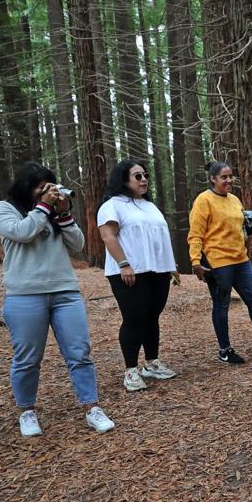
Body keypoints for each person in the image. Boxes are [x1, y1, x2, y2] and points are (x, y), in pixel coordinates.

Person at [0, 163, 115, 436]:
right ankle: (27, 411)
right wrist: (44, 207)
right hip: (24, 294)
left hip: (65, 292)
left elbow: (78, 244)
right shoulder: (2, 208)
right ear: (25, 187)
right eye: (40, 186)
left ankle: (92, 407)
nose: (46, 191)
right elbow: (22, 233)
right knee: (27, 358)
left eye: (50, 185)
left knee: (79, 353)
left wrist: (63, 214)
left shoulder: (52, 213)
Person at [188, 161, 252, 363]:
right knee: (221, 306)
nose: (229, 180)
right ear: (213, 179)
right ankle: (224, 350)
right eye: (224, 177)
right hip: (218, 262)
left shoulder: (235, 200)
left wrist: (247, 225)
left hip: (241, 260)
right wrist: (195, 261)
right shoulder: (204, 200)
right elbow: (195, 234)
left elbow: (237, 227)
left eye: (230, 177)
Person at [98, 160, 180, 392]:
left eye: (145, 175)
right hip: (130, 272)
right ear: (123, 180)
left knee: (152, 316)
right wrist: (124, 264)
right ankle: (131, 371)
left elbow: (160, 237)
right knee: (134, 319)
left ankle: (152, 363)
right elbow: (108, 236)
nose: (143, 180)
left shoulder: (149, 205)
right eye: (137, 176)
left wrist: (170, 265)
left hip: (158, 271)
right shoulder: (112, 205)